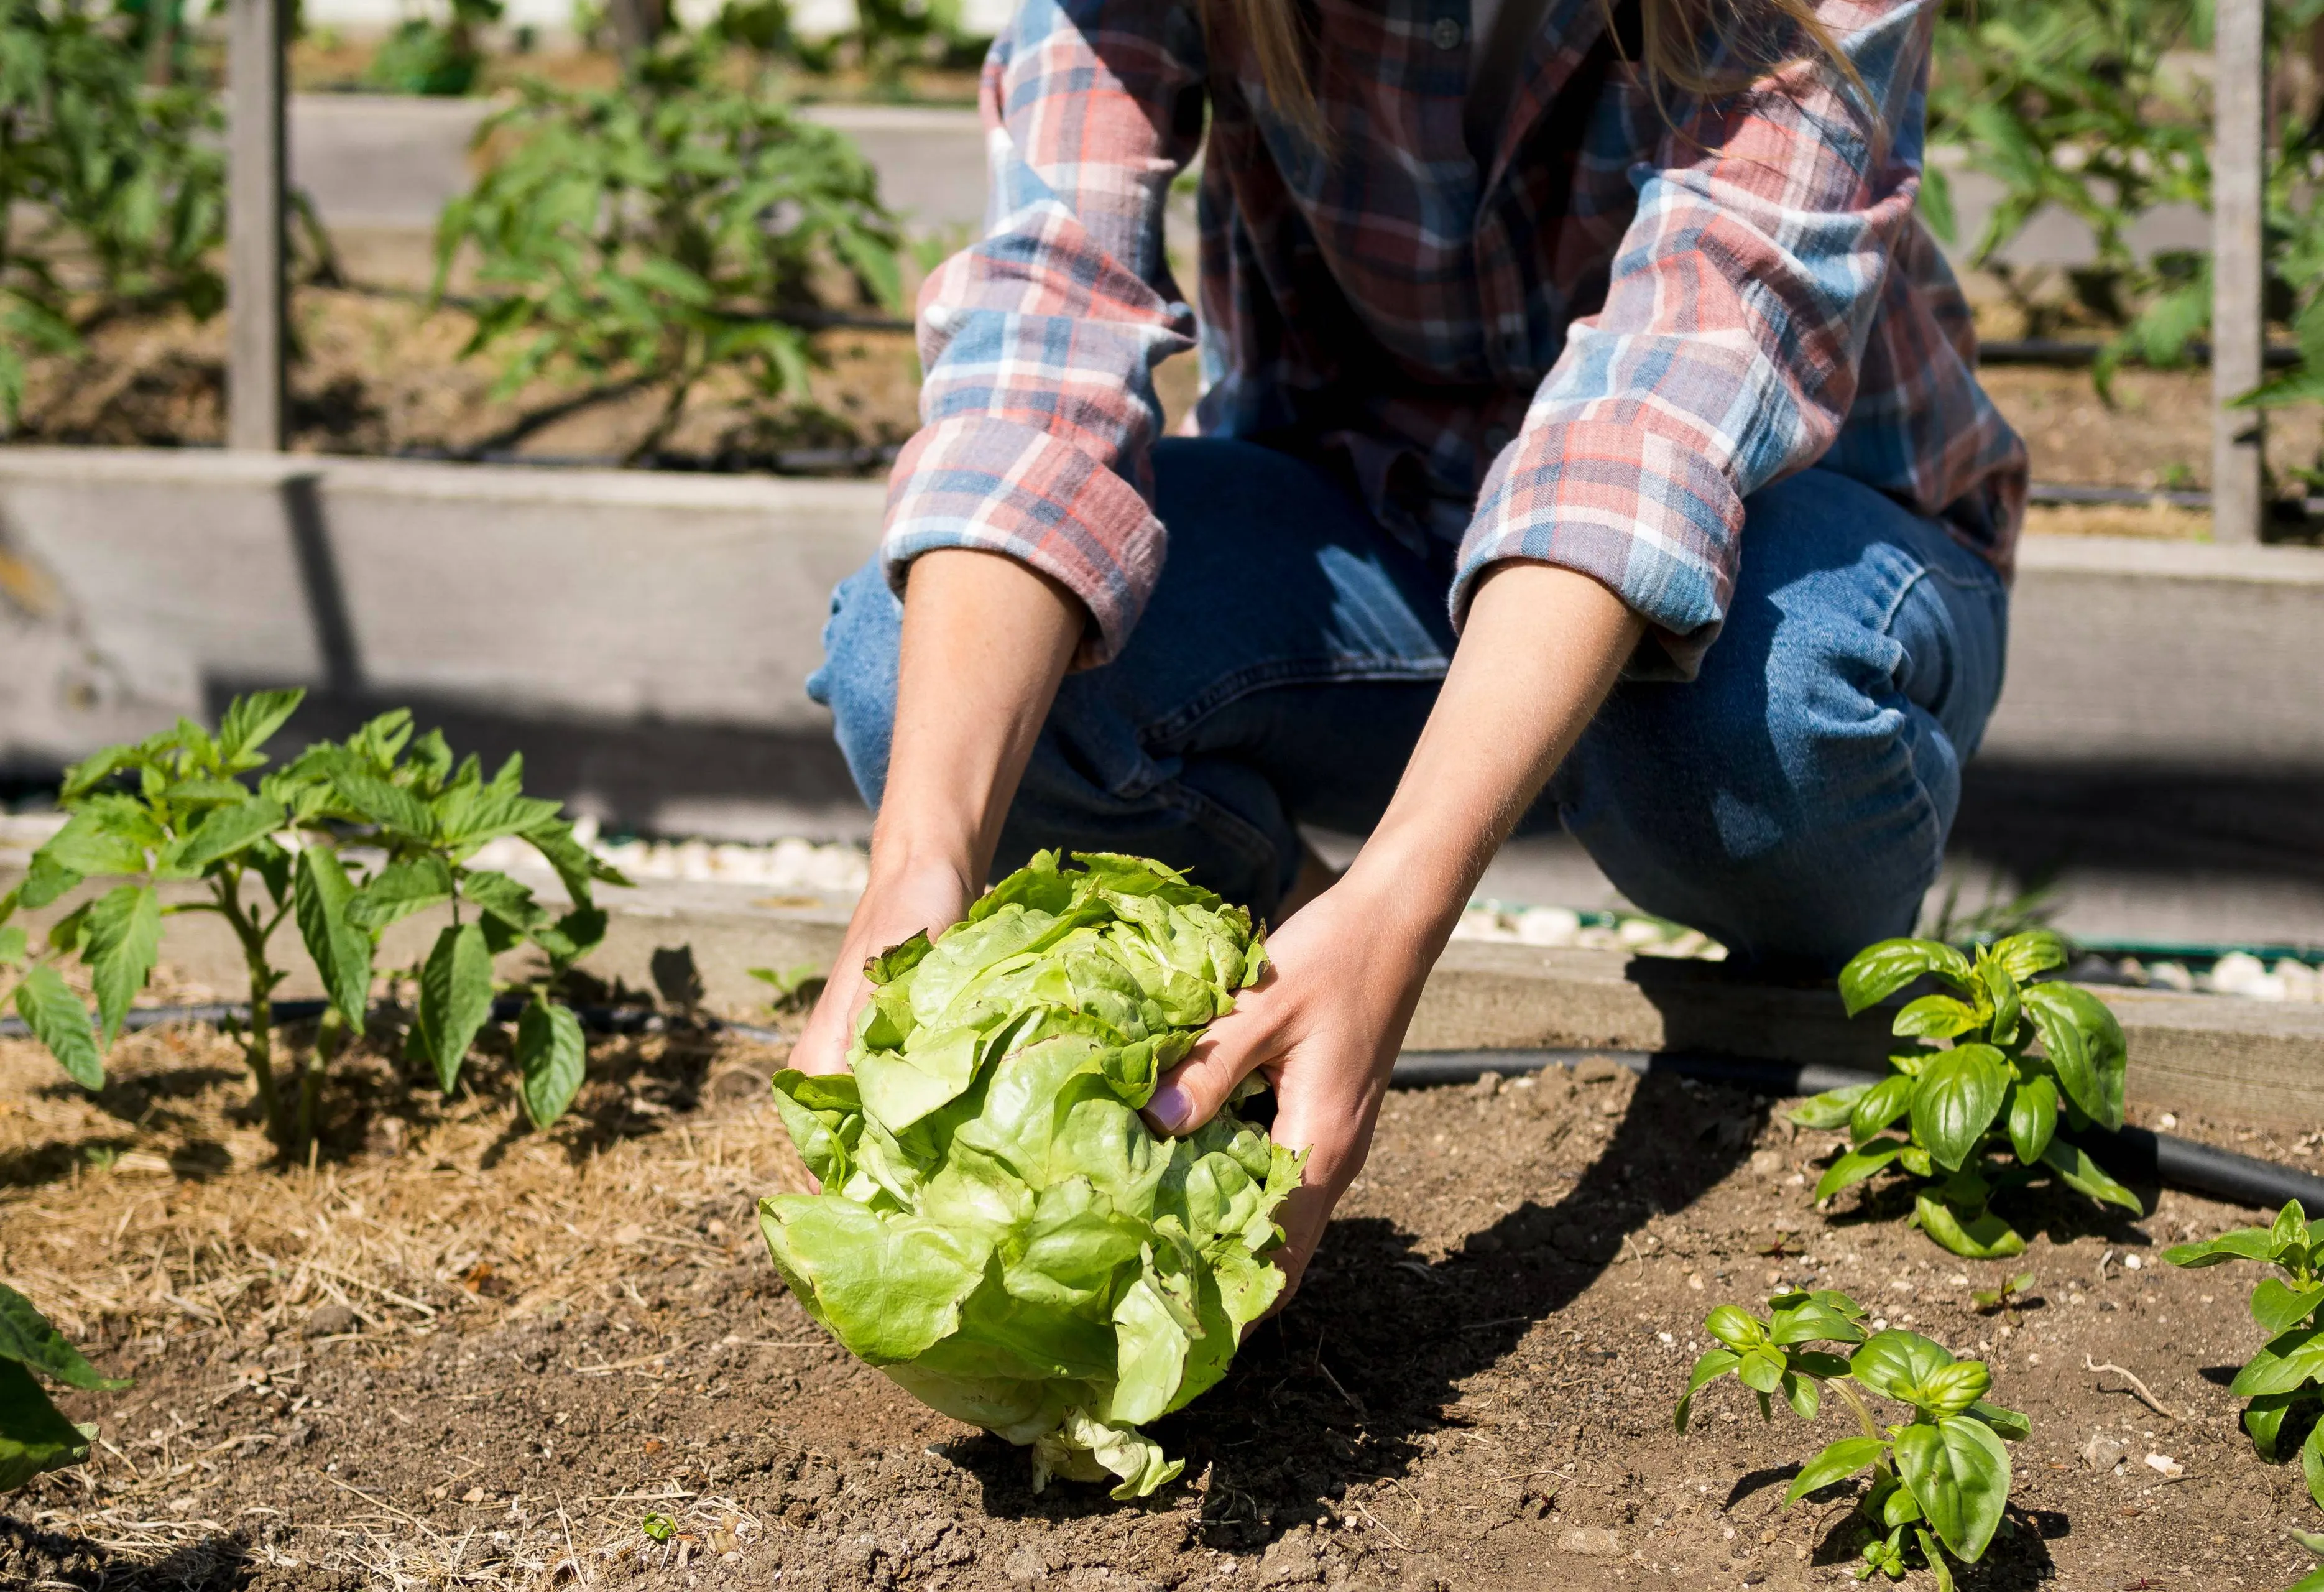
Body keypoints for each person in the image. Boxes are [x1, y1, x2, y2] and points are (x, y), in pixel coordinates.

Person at [794, 0, 2024, 1303]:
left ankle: (1799, 1019)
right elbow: (1045, 329)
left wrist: (1404, 900)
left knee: (1757, 717)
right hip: (1383, 537)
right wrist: (918, 861)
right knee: (905, 662)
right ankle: (1277, 971)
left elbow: (1664, 407)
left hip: (1790, 553)